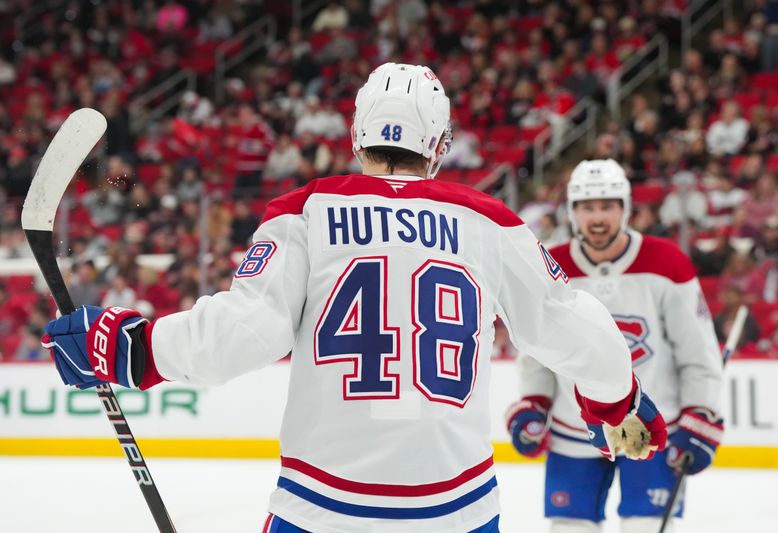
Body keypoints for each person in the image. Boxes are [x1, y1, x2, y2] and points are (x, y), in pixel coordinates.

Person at [41, 64, 666, 533]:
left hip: (320, 507)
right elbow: (573, 327)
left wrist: (132, 347)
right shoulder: (488, 221)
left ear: (355, 134)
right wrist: (617, 403)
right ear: (440, 145)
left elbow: (245, 333)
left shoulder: (306, 210)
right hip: (457, 509)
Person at [506, 160, 724, 533]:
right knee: (569, 527)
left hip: (655, 425)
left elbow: (697, 351)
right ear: (572, 212)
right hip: (573, 429)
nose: (598, 217)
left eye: (607, 205)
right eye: (587, 207)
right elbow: (538, 350)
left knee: (645, 525)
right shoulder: (549, 264)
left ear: (625, 208)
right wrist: (535, 401)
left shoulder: (667, 262)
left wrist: (701, 410)